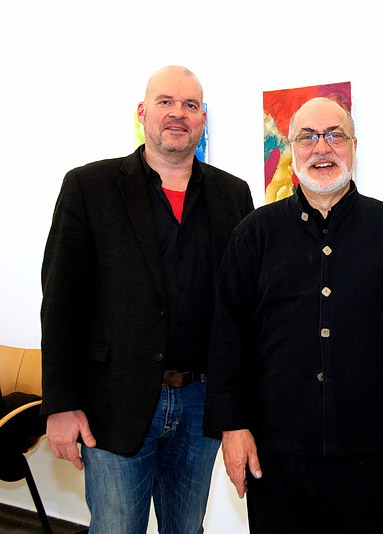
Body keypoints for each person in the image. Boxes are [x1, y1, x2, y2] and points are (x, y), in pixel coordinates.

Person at [204, 97, 383, 533]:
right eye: (308, 137)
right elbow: (229, 338)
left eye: (335, 136)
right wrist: (232, 428)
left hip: (372, 453)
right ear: (291, 148)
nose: (322, 148)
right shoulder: (254, 234)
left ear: (354, 146)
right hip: (276, 455)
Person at [41, 65, 254, 533]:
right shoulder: (89, 187)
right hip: (113, 401)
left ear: (202, 120)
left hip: (201, 403)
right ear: (142, 113)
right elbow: (60, 302)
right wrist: (60, 403)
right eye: (165, 102)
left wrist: (241, 404)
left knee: (187, 528)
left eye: (190, 105)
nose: (178, 113)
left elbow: (242, 309)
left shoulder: (233, 194)